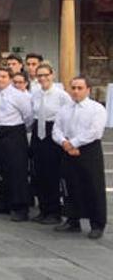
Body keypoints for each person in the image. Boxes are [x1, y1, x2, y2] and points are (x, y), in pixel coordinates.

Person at [53, 76, 107, 239]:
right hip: (67, 149)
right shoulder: (64, 109)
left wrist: (75, 143)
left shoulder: (96, 108)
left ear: (88, 90)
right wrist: (64, 142)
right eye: (73, 88)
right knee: (70, 185)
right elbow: (56, 129)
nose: (75, 91)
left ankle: (97, 224)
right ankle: (72, 219)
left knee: (93, 187)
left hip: (88, 150)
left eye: (79, 88)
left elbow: (95, 131)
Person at [0, 68, 33, 222]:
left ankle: (20, 207)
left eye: (4, 77)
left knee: (17, 171)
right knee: (0, 170)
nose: (0, 79)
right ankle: (3, 203)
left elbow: (28, 116)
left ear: (10, 78)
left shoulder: (18, 95)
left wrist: (16, 130)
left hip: (13, 133)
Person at [30, 63, 71, 224]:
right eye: (39, 76)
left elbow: (67, 117)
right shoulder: (35, 93)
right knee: (39, 173)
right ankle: (43, 209)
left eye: (45, 75)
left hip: (52, 134)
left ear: (52, 75)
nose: (42, 78)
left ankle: (54, 212)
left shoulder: (61, 95)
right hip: (37, 133)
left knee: (52, 174)